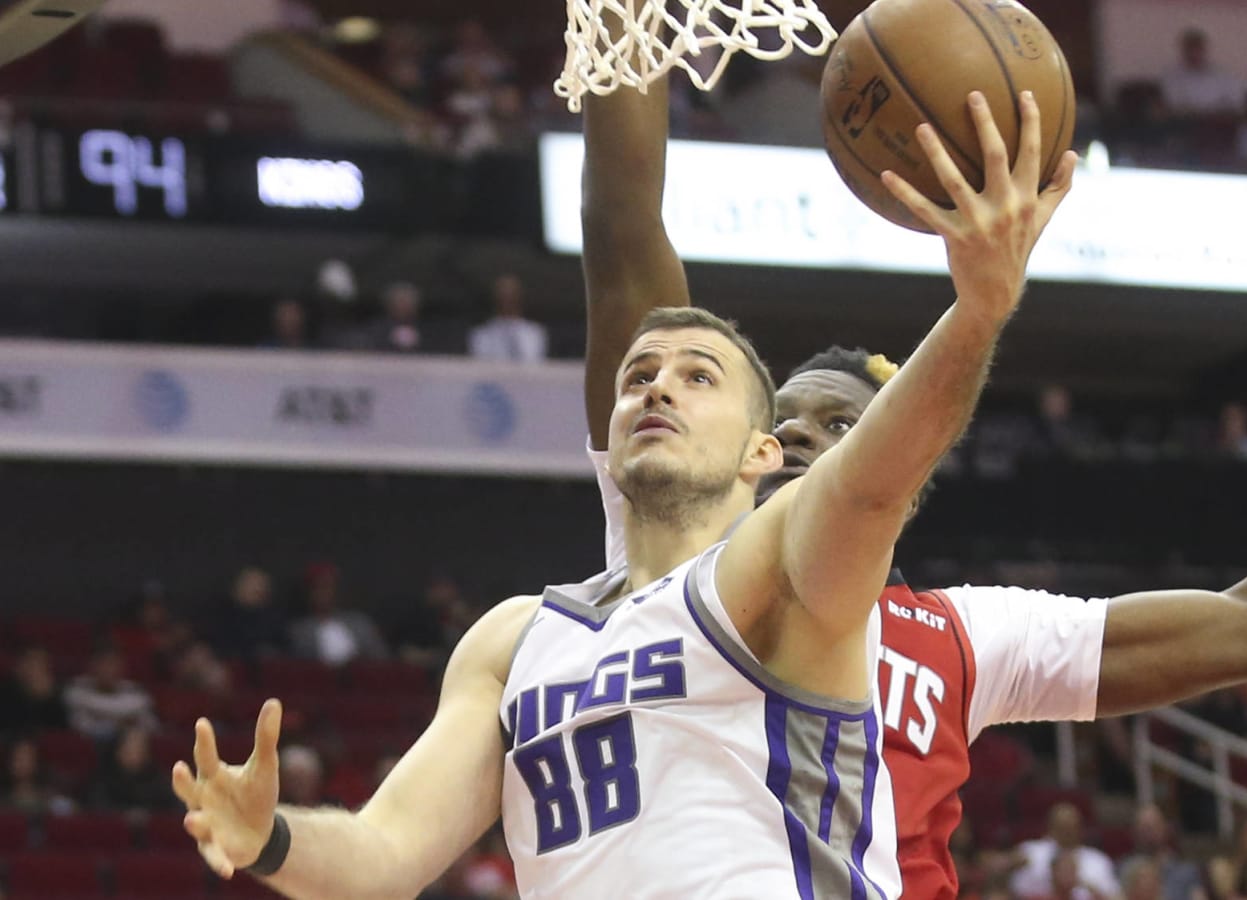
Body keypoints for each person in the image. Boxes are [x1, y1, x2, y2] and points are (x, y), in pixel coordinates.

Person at [578, 53, 1247, 900]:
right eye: (779, 422)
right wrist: (625, 30)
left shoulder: (962, 637)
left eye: (839, 424)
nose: (796, 438)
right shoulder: (665, 553)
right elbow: (626, 243)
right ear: (740, 453)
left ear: (904, 468)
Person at [169, 75, 1075, 900]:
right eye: (639, 372)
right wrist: (270, 839)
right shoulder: (518, 638)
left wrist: (977, 311)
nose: (656, 385)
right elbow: (382, 856)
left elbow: (871, 486)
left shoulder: (779, 572)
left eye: (698, 376)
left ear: (764, 453)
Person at [1009, 803, 1122, 900]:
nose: (1067, 832)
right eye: (1062, 827)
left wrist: (1089, 888)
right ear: (1050, 827)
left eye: (1071, 827)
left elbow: (1115, 896)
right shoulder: (1031, 851)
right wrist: (1009, 863)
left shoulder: (1098, 860)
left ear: (1080, 828)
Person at [1159, 29, 1247, 117]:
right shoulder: (1172, 75)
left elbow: (1238, 103)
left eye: (1197, 49)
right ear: (1183, 51)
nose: (1194, 54)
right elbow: (1174, 105)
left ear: (1204, 50)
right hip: (1185, 124)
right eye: (1190, 49)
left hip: (1220, 123)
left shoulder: (1223, 74)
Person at [469, 274, 548, 364]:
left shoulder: (535, 332)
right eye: (503, 295)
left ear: (519, 297)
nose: (507, 301)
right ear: (495, 298)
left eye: (511, 295)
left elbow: (534, 362)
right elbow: (481, 364)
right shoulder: (481, 335)